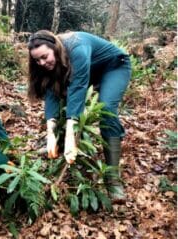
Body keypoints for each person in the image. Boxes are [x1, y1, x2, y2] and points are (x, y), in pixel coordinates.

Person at [27, 30, 131, 201]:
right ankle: (58, 146)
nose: (42, 63)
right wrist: (51, 134)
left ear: (55, 48)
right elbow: (52, 94)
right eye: (37, 60)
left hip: (114, 67)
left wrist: (71, 134)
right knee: (61, 95)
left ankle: (112, 179)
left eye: (45, 57)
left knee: (106, 109)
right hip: (91, 69)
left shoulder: (77, 48)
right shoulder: (50, 62)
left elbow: (78, 88)